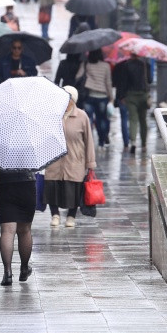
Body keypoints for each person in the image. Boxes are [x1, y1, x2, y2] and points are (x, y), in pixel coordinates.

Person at [45, 86, 96, 228]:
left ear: (73, 101)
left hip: (75, 161)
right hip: (54, 161)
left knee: (74, 190)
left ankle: (71, 216)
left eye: (68, 99)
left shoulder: (82, 116)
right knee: (52, 187)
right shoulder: (53, 115)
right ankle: (55, 215)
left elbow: (89, 141)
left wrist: (90, 163)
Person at [0, 159, 36, 286]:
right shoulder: (29, 145)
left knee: (7, 231)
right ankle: (24, 268)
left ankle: (7, 273)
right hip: (27, 183)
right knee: (25, 230)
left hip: (4, 184)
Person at [118, 51, 152, 153]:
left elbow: (123, 82)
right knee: (143, 120)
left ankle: (133, 142)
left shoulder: (126, 65)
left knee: (133, 120)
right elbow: (150, 80)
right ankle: (144, 144)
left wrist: (122, 96)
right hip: (143, 95)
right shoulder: (145, 64)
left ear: (131, 54)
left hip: (131, 95)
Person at [80, 49, 114, 147]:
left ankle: (89, 142)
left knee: (88, 120)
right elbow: (108, 83)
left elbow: (79, 76)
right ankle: (101, 142)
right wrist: (111, 97)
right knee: (102, 119)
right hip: (102, 97)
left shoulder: (86, 64)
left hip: (89, 96)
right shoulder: (106, 66)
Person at [111, 61, 131, 150]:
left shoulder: (118, 66)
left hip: (121, 96)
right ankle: (132, 138)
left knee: (124, 119)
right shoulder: (136, 64)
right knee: (133, 119)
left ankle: (126, 142)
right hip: (132, 96)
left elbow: (113, 83)